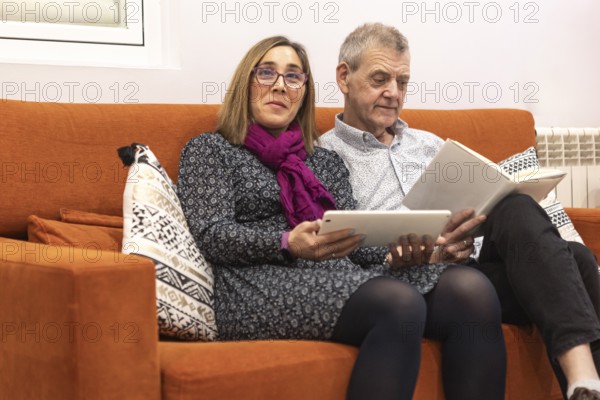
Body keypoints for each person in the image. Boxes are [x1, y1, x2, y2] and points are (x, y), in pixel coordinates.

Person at [177, 36, 506, 400]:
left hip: (334, 274)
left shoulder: (322, 160)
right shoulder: (210, 150)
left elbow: (357, 246)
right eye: (266, 73)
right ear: (246, 83)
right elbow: (212, 233)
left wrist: (413, 251)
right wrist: (288, 243)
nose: (279, 86)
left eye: (293, 77)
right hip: (253, 283)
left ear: (304, 90)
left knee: (470, 291)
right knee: (399, 303)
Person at [318, 22, 600, 400]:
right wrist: (413, 255)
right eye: (380, 79)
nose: (393, 93)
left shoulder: (431, 144)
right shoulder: (323, 157)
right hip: (405, 284)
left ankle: (585, 381)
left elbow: (479, 206)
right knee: (570, 262)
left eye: (402, 82)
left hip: (467, 263)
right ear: (344, 76)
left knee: (533, 220)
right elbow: (334, 250)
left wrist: (466, 238)